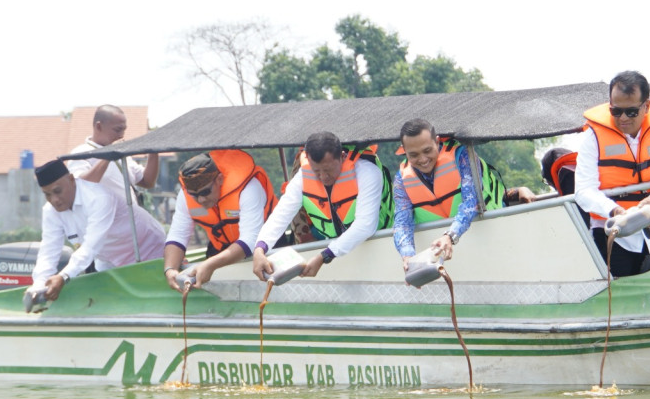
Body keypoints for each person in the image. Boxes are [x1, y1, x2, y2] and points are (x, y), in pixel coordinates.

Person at [574, 70, 650, 277]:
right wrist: (615, 211)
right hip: (612, 235)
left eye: (631, 112)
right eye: (616, 112)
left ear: (646, 106)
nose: (623, 118)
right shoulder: (593, 137)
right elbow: (583, 190)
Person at [392, 118, 534, 272]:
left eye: (427, 151)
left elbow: (471, 203)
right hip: (453, 262)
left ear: (437, 141)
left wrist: (449, 236)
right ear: (404, 151)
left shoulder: (463, 156)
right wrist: (409, 257)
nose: (422, 159)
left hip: (494, 242)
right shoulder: (401, 180)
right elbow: (402, 222)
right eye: (413, 155)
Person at [252, 131, 393, 279]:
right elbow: (281, 215)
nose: (323, 177)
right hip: (337, 249)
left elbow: (366, 225)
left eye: (328, 170)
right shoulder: (303, 176)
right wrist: (259, 249)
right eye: (316, 171)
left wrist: (324, 256)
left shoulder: (368, 171)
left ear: (342, 157)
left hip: (381, 242)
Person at [27, 159, 166, 302]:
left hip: (148, 250)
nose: (54, 199)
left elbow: (90, 246)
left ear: (71, 179)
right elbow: (48, 250)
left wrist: (63, 276)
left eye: (57, 191)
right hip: (109, 261)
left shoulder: (98, 198)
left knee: (156, 302)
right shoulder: (50, 211)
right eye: (47, 194)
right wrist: (39, 285)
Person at [163, 151, 277, 291]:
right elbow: (178, 234)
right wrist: (170, 269)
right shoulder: (185, 195)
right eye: (194, 195)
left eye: (205, 192)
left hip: (265, 250)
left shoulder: (249, 188)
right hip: (220, 252)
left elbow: (251, 240)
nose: (201, 200)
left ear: (220, 179)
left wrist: (210, 264)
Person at [67, 104, 159, 203]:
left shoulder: (121, 153)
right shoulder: (80, 153)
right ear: (99, 126)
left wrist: (153, 151)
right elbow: (82, 186)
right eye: (117, 130)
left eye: (124, 130)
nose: (121, 135)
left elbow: (147, 182)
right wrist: (109, 156)